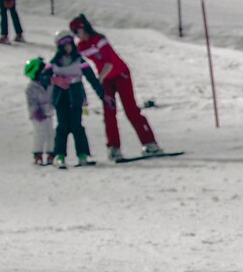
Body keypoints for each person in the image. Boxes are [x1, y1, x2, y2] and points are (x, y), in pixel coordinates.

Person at [68, 14, 163, 160]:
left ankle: (150, 143)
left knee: (131, 109)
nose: (76, 35)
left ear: (83, 28)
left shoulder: (99, 40)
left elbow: (109, 63)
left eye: (76, 31)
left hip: (120, 75)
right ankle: (113, 147)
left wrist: (98, 79)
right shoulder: (81, 46)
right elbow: (74, 61)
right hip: (106, 79)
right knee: (109, 113)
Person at [46, 33, 102, 168]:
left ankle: (82, 154)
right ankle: (60, 155)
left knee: (77, 125)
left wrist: (102, 95)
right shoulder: (54, 62)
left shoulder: (79, 61)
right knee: (62, 126)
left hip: (75, 96)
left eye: (69, 44)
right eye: (64, 45)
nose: (68, 47)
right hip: (61, 97)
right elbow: (43, 78)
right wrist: (56, 80)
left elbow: (92, 79)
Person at [24, 56, 56, 166]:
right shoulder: (31, 87)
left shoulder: (51, 84)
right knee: (40, 133)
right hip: (37, 115)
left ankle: (51, 152)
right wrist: (35, 111)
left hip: (48, 112)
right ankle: (38, 153)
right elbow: (31, 102)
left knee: (50, 133)